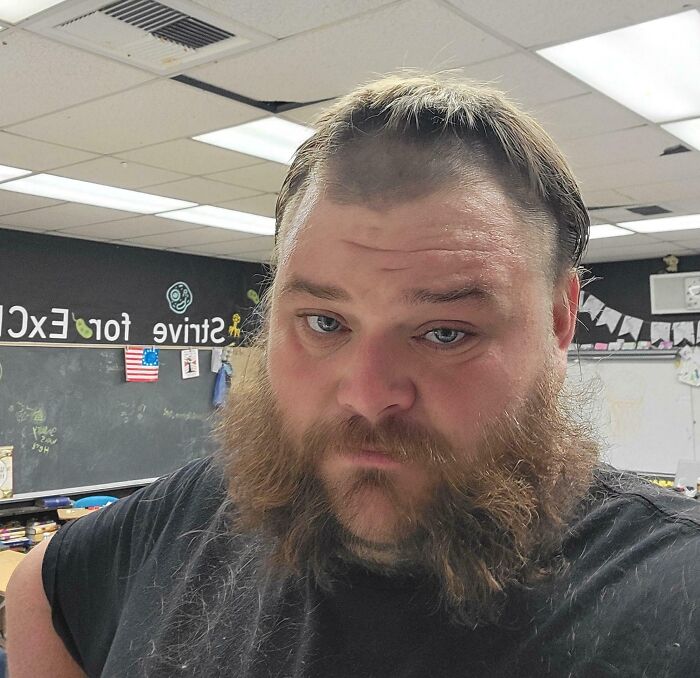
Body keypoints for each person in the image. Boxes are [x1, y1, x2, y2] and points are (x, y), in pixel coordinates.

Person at [6, 73, 700, 678]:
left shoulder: (670, 593)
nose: (368, 394)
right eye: (325, 323)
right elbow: (41, 586)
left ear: (557, 322)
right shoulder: (201, 512)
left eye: (445, 332)